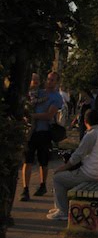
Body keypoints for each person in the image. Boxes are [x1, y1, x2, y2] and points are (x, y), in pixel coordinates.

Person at [46, 109, 98, 220]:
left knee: (58, 178)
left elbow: (77, 157)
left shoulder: (91, 135)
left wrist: (62, 168)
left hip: (90, 174)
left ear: (85, 121)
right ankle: (61, 206)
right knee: (66, 177)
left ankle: (63, 211)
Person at [20, 71, 64, 201]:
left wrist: (32, 116)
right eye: (48, 79)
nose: (49, 82)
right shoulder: (39, 92)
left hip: (44, 132)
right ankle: (25, 189)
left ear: (57, 82)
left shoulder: (57, 97)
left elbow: (49, 115)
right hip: (31, 132)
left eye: (53, 80)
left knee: (43, 161)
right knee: (27, 160)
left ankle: (42, 184)